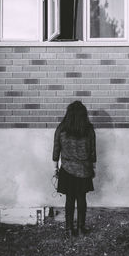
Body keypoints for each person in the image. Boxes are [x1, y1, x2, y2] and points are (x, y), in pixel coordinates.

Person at [52, 101, 96, 237]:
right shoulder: (88, 129)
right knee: (81, 198)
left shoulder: (61, 128)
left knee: (69, 199)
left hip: (67, 169)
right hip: (83, 169)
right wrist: (93, 166)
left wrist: (55, 168)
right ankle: (82, 229)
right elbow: (92, 150)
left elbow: (56, 149)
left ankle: (69, 229)